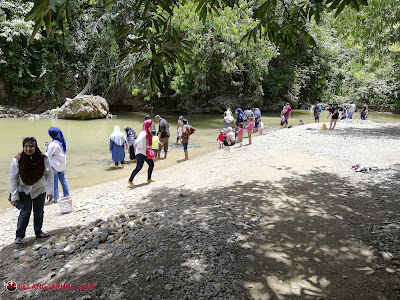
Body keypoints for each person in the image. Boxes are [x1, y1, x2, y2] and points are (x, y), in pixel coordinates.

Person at [9, 137, 54, 244]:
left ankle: (38, 232)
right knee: (25, 213)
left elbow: (49, 175)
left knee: (39, 212)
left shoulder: (43, 158)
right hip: (23, 190)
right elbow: (13, 178)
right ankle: (19, 236)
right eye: (26, 146)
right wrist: (14, 196)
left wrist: (50, 191)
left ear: (35, 146)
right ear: (23, 147)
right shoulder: (17, 160)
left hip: (40, 189)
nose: (28, 149)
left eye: (31, 146)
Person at [128, 120, 155, 187]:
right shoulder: (144, 133)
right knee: (139, 167)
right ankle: (130, 181)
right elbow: (137, 141)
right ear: (147, 126)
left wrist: (147, 147)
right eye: (151, 126)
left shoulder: (147, 132)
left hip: (145, 153)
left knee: (151, 164)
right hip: (140, 153)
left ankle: (149, 179)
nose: (152, 128)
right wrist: (141, 146)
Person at [45, 127, 69, 203]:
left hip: (54, 165)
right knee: (63, 179)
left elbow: (47, 156)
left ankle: (55, 197)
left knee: (54, 180)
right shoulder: (62, 141)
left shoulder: (53, 144)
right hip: (62, 164)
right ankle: (66, 194)